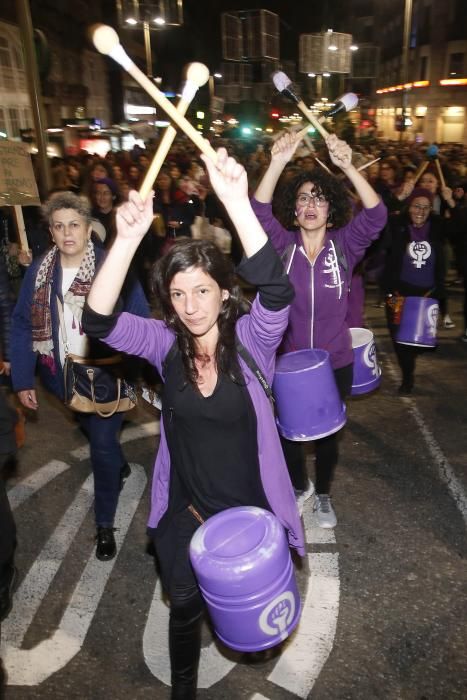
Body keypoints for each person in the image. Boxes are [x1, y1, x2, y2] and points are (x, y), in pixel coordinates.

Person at [82, 148, 304, 700]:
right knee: (183, 605)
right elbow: (98, 320)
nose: (190, 305)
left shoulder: (253, 339)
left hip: (250, 509)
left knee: (251, 626)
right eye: (178, 294)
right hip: (186, 507)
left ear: (224, 291)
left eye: (202, 290)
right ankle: (183, 690)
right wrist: (125, 240)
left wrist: (234, 201)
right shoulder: (163, 346)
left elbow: (278, 291)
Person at [252, 132, 387, 528]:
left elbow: (377, 215)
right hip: (289, 361)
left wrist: (347, 167)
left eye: (319, 198)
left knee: (327, 435)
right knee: (288, 433)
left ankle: (324, 494)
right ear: (294, 210)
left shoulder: (345, 246)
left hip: (336, 361)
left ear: (331, 209)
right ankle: (299, 486)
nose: (311, 205)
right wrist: (277, 162)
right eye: (303, 198)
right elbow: (256, 210)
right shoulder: (281, 246)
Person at [10, 191, 150, 561]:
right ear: (51, 232)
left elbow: (142, 320)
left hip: (106, 374)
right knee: (92, 432)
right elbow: (23, 323)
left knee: (101, 447)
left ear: (89, 228)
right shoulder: (39, 271)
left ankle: (105, 524)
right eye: (58, 226)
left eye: (74, 224)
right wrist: (23, 379)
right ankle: (117, 465)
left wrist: (142, 373)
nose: (66, 233)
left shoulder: (114, 267)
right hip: (60, 375)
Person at [381, 188, 448, 394]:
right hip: (398, 293)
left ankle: (411, 357)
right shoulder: (396, 226)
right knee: (397, 336)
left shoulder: (438, 227)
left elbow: (461, 226)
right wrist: (395, 199)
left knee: (419, 340)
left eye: (426, 207)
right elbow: (377, 216)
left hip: (427, 294)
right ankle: (407, 375)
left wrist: (451, 202)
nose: (420, 211)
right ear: (408, 207)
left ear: (431, 210)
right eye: (416, 206)